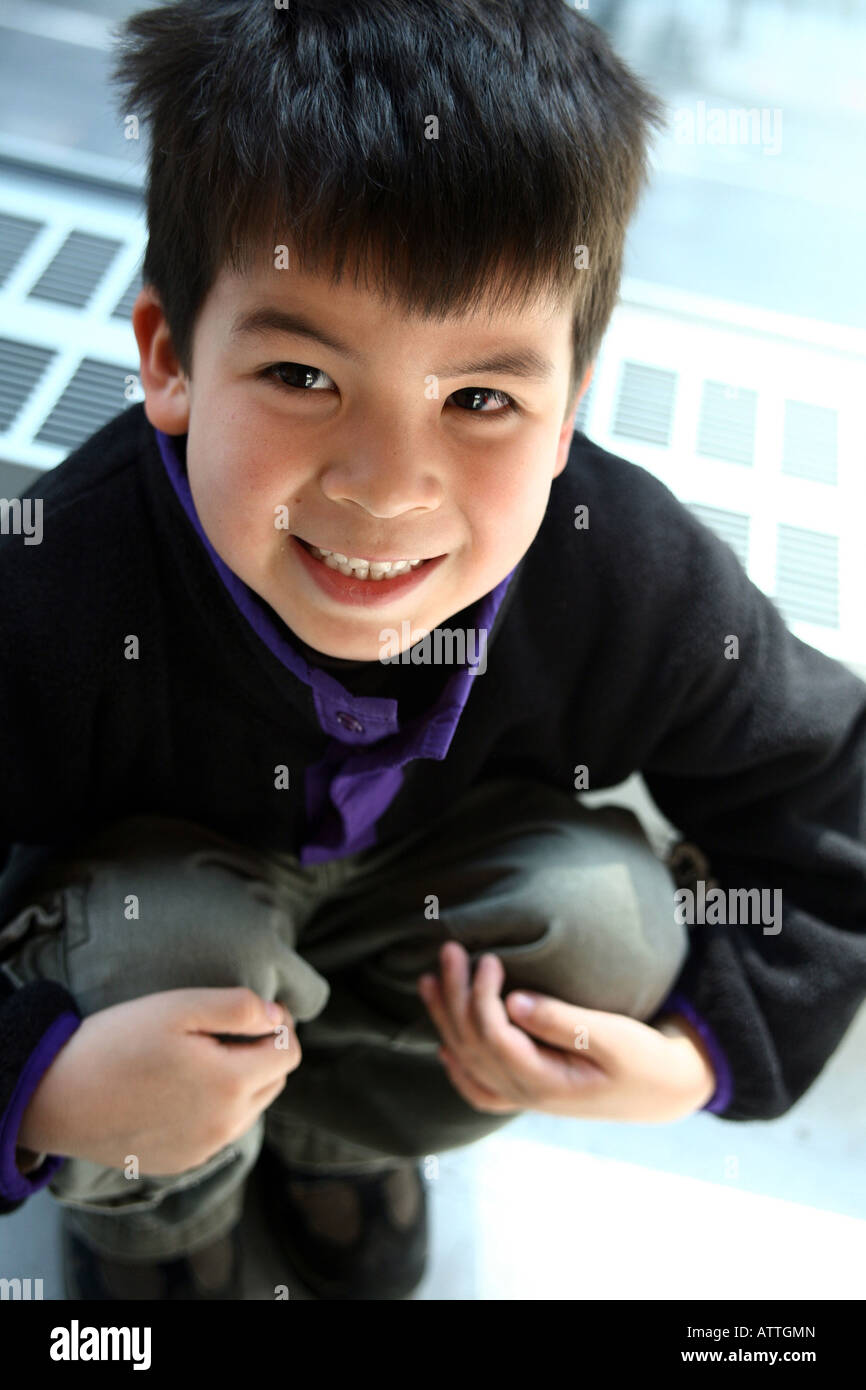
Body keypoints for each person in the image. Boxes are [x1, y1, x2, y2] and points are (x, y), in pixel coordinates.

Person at [1, 0, 865, 1303]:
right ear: (170, 359)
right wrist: (37, 1084)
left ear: (569, 410)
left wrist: (701, 1054)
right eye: (302, 375)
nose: (388, 487)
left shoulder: (617, 565)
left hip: (416, 912)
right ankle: (159, 1226)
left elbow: (829, 786)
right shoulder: (56, 586)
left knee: (611, 926)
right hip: (170, 931)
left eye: (478, 398)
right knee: (157, 942)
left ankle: (333, 1138)